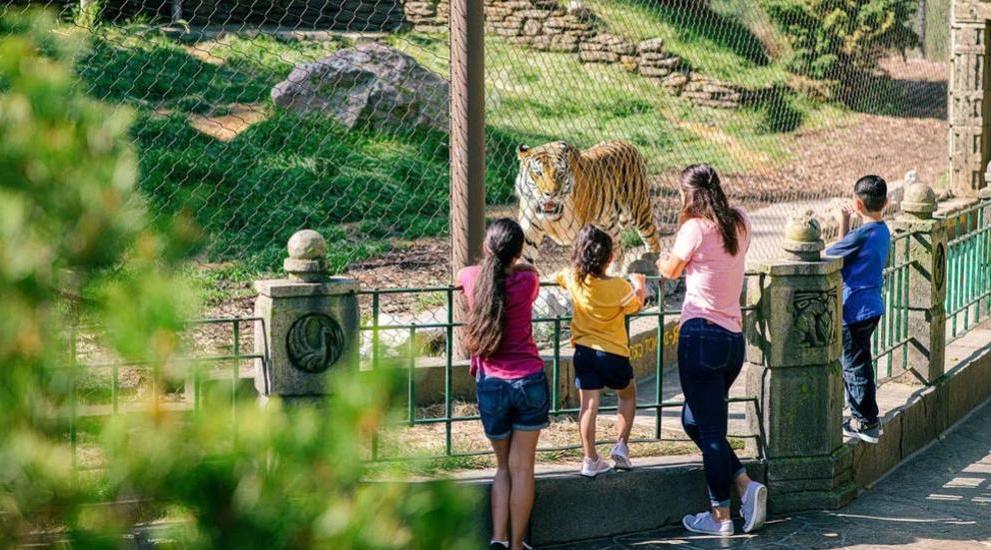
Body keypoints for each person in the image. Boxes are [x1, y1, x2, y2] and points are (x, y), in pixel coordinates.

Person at [656, 164, 767, 536]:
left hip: (701, 336)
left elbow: (670, 271)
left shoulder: (694, 229)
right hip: (733, 340)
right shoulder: (741, 221)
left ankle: (721, 517)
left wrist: (658, 259)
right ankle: (743, 484)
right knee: (695, 422)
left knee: (712, 433)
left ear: (688, 194)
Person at [458, 218, 549, 550]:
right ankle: (517, 544)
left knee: (502, 468)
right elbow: (527, 270)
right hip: (529, 380)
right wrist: (516, 261)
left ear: (486, 248)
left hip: (492, 384)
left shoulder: (470, 278)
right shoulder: (528, 281)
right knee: (523, 467)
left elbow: (465, 273)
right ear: (519, 252)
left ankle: (497, 537)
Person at [553, 225, 647, 477]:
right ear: (610, 257)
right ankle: (621, 446)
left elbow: (558, 277)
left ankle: (589, 458)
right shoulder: (618, 286)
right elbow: (634, 307)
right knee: (627, 395)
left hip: (584, 352)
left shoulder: (574, 278)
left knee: (588, 406)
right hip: (614, 353)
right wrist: (639, 286)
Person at [825, 175, 891, 444]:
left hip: (854, 309)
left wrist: (844, 223)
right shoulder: (881, 230)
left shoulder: (863, 234)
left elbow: (830, 255)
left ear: (857, 204)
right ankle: (863, 417)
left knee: (854, 366)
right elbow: (845, 253)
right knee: (860, 362)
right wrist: (845, 222)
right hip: (872, 306)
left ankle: (866, 421)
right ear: (886, 202)